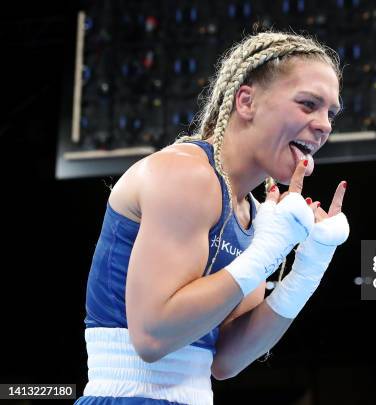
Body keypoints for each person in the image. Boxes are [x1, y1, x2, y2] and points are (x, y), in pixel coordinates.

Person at [76, 31, 350, 405]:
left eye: (330, 113)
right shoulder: (185, 175)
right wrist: (267, 254)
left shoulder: (254, 215)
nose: (324, 125)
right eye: (308, 104)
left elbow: (226, 360)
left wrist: (307, 271)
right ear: (247, 101)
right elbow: (152, 338)